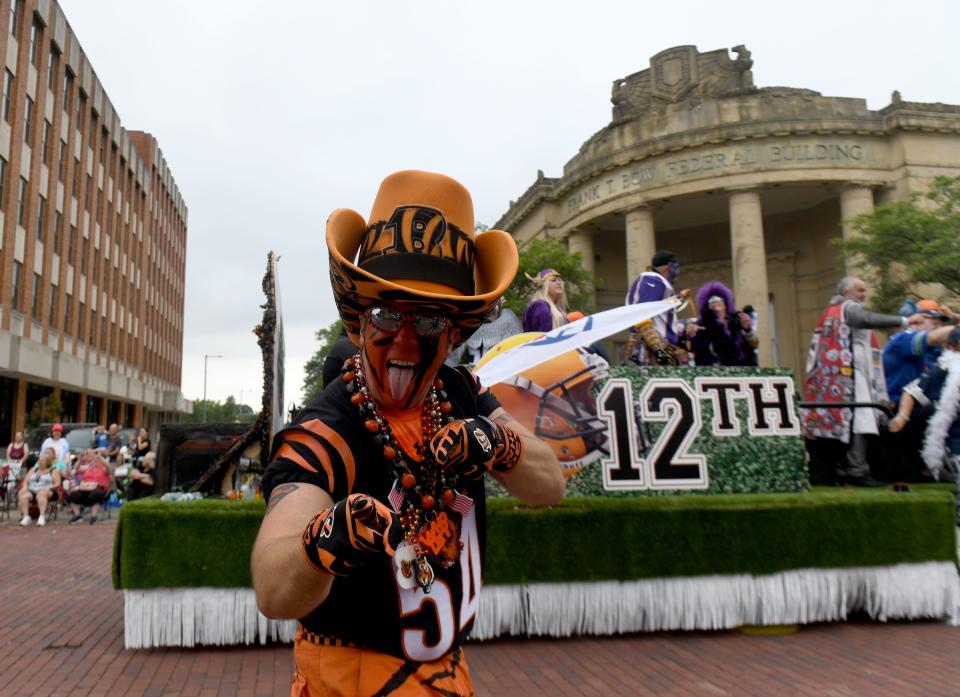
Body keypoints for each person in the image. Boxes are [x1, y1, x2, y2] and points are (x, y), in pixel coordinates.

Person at [252, 170, 564, 697]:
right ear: (358, 321)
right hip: (349, 682)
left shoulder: (461, 393)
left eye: (428, 320)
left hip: (448, 674)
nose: (404, 339)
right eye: (387, 313)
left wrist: (496, 443)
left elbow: (550, 482)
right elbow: (272, 584)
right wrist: (326, 539)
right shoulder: (328, 429)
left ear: (453, 334)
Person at [802, 276, 908, 486]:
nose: (864, 294)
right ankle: (856, 470)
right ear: (846, 293)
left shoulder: (832, 311)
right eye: (860, 290)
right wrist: (903, 321)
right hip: (850, 375)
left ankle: (846, 469)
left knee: (850, 424)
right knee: (862, 419)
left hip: (843, 376)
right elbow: (866, 319)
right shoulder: (848, 308)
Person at [883, 300, 955, 405]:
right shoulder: (904, 339)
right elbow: (934, 337)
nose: (939, 327)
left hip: (915, 400)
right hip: (896, 404)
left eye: (941, 323)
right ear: (916, 322)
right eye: (934, 322)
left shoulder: (933, 350)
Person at [624, 250, 688, 366]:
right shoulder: (654, 280)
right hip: (651, 351)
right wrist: (658, 349)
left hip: (655, 348)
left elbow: (657, 307)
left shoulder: (653, 281)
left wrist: (679, 297)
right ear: (668, 266)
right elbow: (642, 313)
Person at [688, 281, 758, 366]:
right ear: (707, 306)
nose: (715, 301)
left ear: (726, 303)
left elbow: (754, 344)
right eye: (711, 300)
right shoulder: (701, 324)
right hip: (713, 371)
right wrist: (690, 334)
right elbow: (691, 348)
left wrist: (748, 330)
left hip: (740, 369)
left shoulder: (738, 319)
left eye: (718, 299)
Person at [17, 450, 61, 526]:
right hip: (32, 489)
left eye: (42, 461)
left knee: (41, 494)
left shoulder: (53, 470)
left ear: (47, 462)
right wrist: (24, 487)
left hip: (48, 490)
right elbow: (26, 480)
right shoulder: (33, 469)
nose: (40, 462)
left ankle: (41, 516)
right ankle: (26, 517)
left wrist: (48, 487)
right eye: (39, 461)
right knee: (24, 496)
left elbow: (57, 483)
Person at [66, 451, 111, 524]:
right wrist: (80, 461)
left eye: (97, 460)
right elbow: (77, 469)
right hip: (85, 488)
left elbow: (108, 467)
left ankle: (94, 516)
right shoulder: (88, 468)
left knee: (94, 495)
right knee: (73, 494)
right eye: (94, 460)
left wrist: (100, 457)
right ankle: (77, 516)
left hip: (99, 489)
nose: (95, 461)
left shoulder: (104, 469)